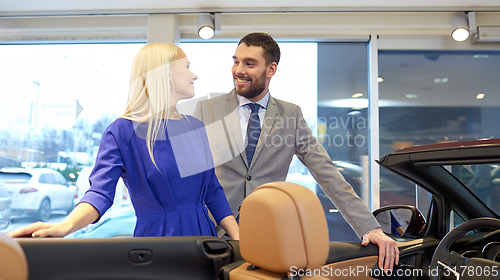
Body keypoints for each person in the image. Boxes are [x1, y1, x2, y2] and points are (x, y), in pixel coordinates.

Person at [193, 32, 398, 270]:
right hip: (210, 233)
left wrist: (370, 227)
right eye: (236, 61)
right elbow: (187, 175)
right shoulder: (206, 110)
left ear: (271, 69)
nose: (238, 70)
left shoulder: (291, 115)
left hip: (266, 237)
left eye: (249, 64)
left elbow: (327, 172)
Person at [9, 43, 239, 240]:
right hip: (158, 243)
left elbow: (213, 192)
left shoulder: (194, 127)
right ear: (166, 73)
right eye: (187, 67)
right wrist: (65, 226)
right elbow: (100, 193)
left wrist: (240, 242)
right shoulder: (123, 131)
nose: (194, 75)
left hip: (204, 242)